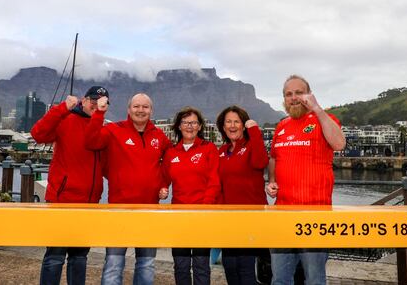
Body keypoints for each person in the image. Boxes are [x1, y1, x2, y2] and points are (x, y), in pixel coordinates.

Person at [265, 75, 346, 285]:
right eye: (288, 94)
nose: (293, 98)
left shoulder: (324, 120)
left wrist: (317, 109)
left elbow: (339, 144)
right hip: (283, 214)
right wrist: (271, 180)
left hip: (315, 215)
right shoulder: (281, 126)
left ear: (309, 94)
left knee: (314, 279)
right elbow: (274, 157)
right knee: (280, 279)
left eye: (298, 92)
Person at [85, 92, 171, 285]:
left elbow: (170, 163)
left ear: (151, 110)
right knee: (114, 262)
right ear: (128, 109)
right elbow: (91, 142)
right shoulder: (114, 130)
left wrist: (164, 184)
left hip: (150, 209)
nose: (140, 110)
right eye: (136, 106)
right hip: (119, 208)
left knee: (146, 264)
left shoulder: (159, 136)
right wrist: (99, 113)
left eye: (145, 107)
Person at [30, 86, 109, 285]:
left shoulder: (102, 126)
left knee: (80, 257)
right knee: (55, 256)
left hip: (89, 201)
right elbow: (38, 134)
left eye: (102, 102)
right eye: (93, 99)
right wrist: (62, 108)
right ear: (83, 100)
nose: (96, 104)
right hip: (62, 199)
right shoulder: (64, 119)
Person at [163, 106, 221, 285]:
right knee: (180, 264)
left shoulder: (209, 149)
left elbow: (214, 181)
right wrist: (162, 188)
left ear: (200, 126)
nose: (190, 126)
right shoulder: (171, 152)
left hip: (202, 215)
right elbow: (163, 179)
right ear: (179, 126)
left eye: (194, 122)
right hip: (178, 216)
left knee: (201, 264)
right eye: (186, 122)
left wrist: (204, 208)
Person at [216, 105, 269, 285]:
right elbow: (219, 185)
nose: (232, 125)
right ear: (223, 127)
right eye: (228, 122)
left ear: (243, 125)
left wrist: (254, 130)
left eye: (236, 121)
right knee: (229, 266)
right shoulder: (222, 151)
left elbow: (261, 162)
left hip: (251, 217)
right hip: (228, 219)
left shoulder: (251, 145)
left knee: (246, 269)